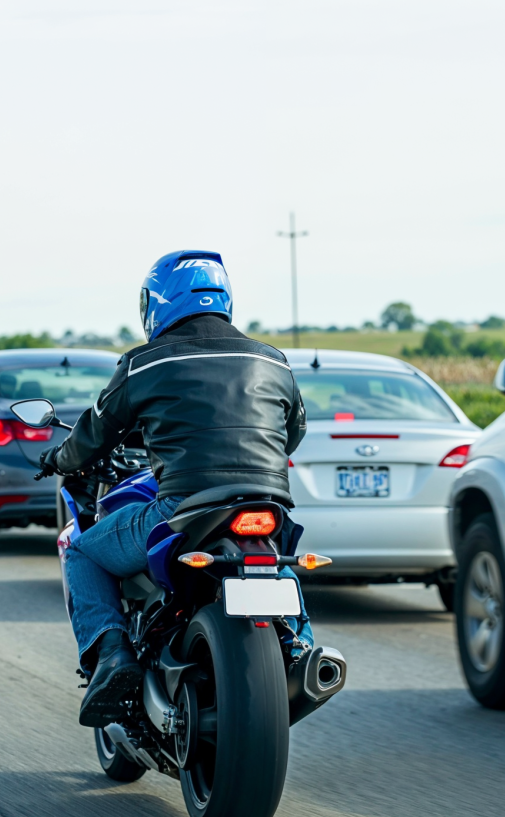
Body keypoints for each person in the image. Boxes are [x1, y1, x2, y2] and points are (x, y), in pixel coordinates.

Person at [41, 250, 307, 726]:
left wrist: (58, 459)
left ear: (159, 304)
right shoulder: (274, 360)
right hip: (268, 504)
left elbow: (92, 437)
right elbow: (294, 432)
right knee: (274, 558)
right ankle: (300, 642)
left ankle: (113, 655)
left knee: (81, 551)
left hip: (183, 504)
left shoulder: (143, 364)